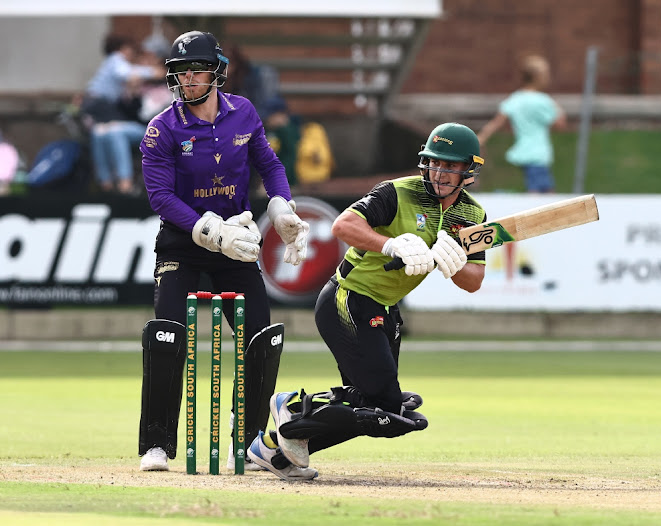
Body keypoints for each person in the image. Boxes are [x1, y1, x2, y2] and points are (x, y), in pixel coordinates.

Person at [245, 122, 488, 481]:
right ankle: (291, 406)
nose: (440, 172)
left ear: (468, 170)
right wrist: (391, 244)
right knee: (382, 402)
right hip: (349, 298)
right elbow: (342, 225)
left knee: (383, 412)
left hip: (386, 309)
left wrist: (451, 263)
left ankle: (270, 449)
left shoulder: (472, 216)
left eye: (450, 166)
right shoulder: (397, 193)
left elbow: (474, 282)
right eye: (435, 163)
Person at [137, 30, 314, 480]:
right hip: (183, 242)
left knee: (261, 339)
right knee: (167, 336)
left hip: (237, 241)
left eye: (196, 71)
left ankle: (251, 438)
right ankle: (157, 441)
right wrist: (207, 230)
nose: (188, 80)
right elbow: (160, 196)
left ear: (216, 72)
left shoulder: (245, 112)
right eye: (180, 73)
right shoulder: (162, 128)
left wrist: (280, 206)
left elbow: (270, 166)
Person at [81, 34, 163, 194]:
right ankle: (106, 183)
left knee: (113, 131)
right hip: (107, 108)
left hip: (148, 128)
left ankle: (125, 182)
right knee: (98, 133)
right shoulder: (118, 64)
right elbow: (125, 74)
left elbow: (147, 114)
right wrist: (145, 78)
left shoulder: (163, 90)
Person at [476, 55, 565, 194]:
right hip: (538, 153)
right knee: (540, 193)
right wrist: (556, 106)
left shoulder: (515, 99)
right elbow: (560, 124)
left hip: (523, 150)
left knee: (546, 190)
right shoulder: (543, 100)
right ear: (538, 76)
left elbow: (497, 122)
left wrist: (481, 138)